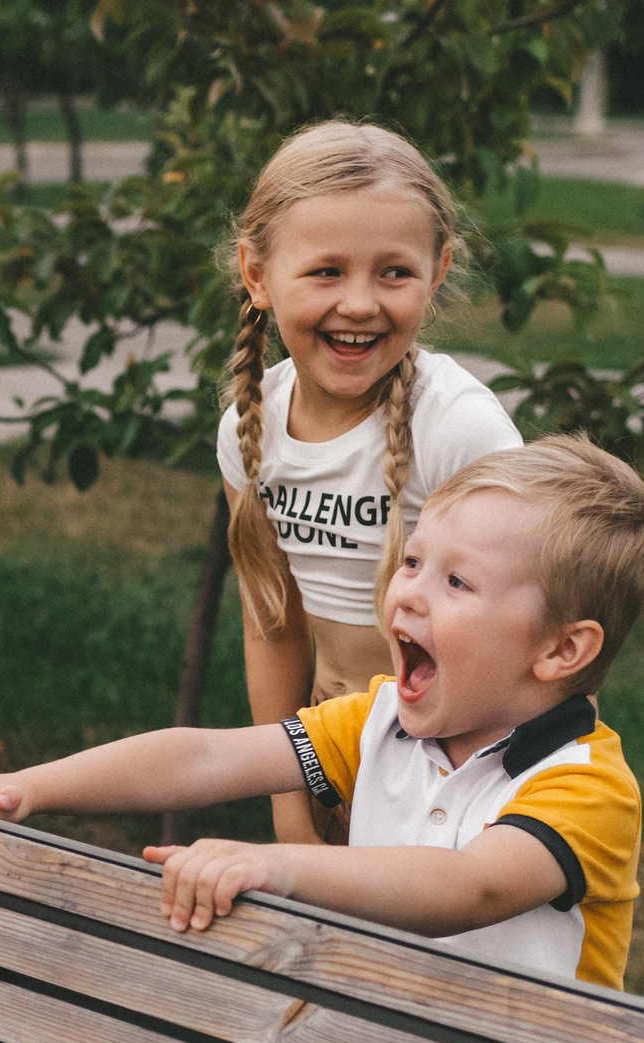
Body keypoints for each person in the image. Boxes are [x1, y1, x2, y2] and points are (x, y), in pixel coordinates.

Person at [0, 438, 644, 990]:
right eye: (415, 560)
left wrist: (282, 866)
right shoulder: (379, 721)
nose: (409, 591)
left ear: (562, 650)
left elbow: (470, 887)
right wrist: (23, 787)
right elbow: (205, 759)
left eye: (458, 583)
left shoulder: (586, 787)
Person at [217, 119, 524, 845]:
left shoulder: (459, 431)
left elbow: (534, 630)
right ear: (257, 275)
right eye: (326, 271)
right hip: (330, 762)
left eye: (394, 272)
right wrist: (289, 804)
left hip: (457, 771)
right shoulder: (248, 430)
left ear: (438, 271)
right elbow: (273, 621)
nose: (360, 303)